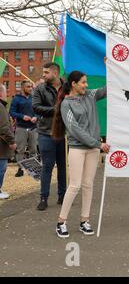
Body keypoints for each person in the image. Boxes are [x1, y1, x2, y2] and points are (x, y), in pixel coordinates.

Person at [52, 71, 109, 238]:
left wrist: (111, 66)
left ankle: (85, 221)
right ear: (74, 84)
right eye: (83, 82)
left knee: (88, 184)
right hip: (78, 148)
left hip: (92, 149)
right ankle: (61, 222)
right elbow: (75, 130)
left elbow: (108, 89)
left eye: (86, 82)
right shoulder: (66, 104)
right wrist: (98, 144)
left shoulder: (90, 95)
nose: (87, 85)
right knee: (75, 185)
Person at [32, 62, 66, 210]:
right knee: (47, 166)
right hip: (46, 133)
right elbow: (36, 108)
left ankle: (63, 196)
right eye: (43, 72)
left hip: (64, 133)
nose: (43, 75)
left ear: (55, 73)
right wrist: (54, 109)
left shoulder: (67, 88)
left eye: (46, 72)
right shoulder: (40, 89)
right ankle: (43, 198)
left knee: (63, 167)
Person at [9, 80, 38, 177]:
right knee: (20, 150)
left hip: (33, 128)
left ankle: (33, 170)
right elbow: (11, 112)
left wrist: (35, 117)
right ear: (23, 88)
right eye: (28, 87)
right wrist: (22, 116)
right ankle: (20, 169)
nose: (30, 88)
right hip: (21, 128)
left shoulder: (33, 98)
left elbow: (38, 110)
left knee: (33, 149)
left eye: (31, 86)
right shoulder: (16, 99)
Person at [0, 85, 17, 199]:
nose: (7, 95)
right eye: (6, 92)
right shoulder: (1, 107)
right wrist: (12, 142)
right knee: (1, 168)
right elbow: (4, 127)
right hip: (1, 146)